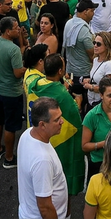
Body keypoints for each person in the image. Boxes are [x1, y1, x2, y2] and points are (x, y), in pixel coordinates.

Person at [26, 53, 85, 198]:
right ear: (60, 71)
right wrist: (78, 100)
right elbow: (76, 119)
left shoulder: (36, 84)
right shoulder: (62, 95)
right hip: (59, 144)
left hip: (39, 136)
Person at [16, 97, 68, 219]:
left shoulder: (27, 134)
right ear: (42, 125)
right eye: (57, 120)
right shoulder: (42, 160)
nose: (62, 122)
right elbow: (44, 207)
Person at [0, 16, 26, 169]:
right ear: (8, 31)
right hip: (12, 92)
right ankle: (9, 158)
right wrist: (26, 68)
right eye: (16, 28)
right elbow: (17, 73)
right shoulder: (13, 49)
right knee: (10, 126)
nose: (19, 30)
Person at [63, 0, 97, 111]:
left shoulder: (69, 22)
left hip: (70, 72)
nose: (93, 14)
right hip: (84, 74)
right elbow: (93, 55)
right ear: (86, 11)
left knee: (74, 104)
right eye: (92, 11)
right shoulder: (83, 30)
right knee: (86, 105)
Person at [83, 32, 111, 107]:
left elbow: (110, 89)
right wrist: (90, 80)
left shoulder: (110, 65)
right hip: (92, 101)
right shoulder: (96, 59)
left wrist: (91, 87)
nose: (95, 46)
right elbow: (99, 77)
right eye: (94, 43)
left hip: (102, 104)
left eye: (98, 44)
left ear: (107, 46)